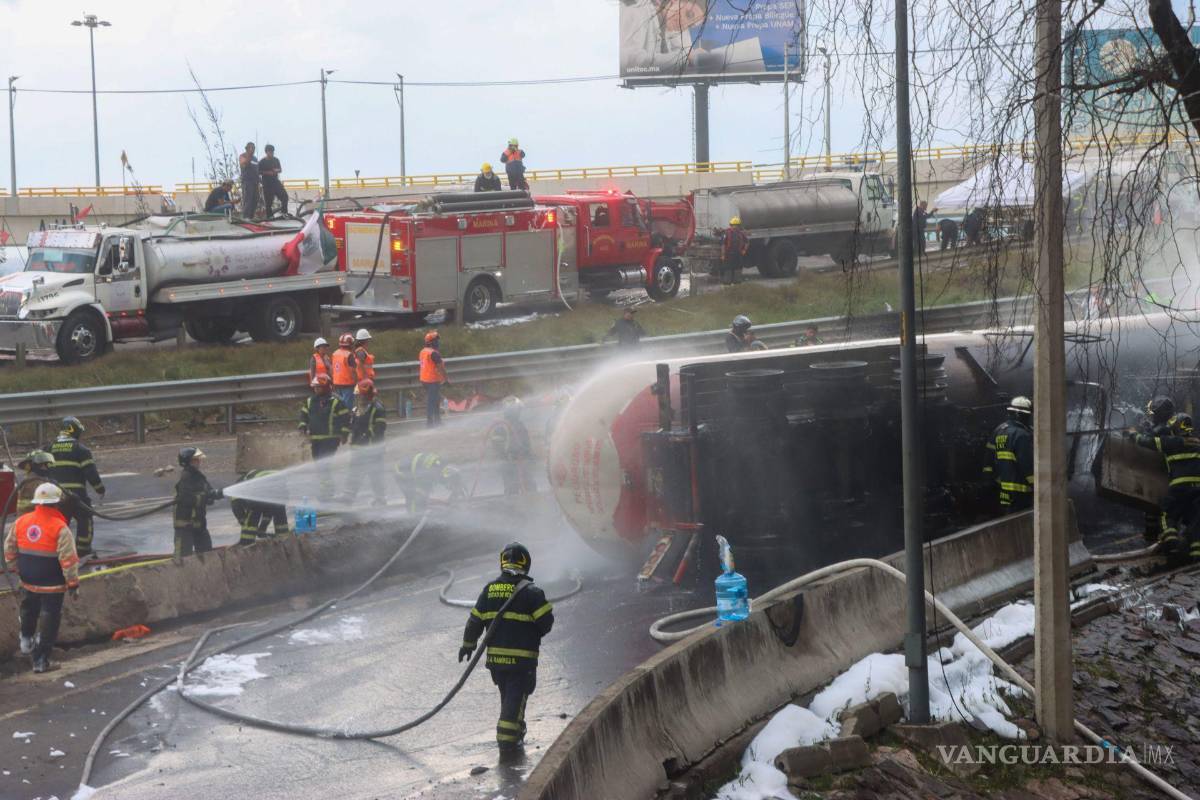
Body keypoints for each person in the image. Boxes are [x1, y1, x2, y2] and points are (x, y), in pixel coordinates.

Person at [459, 542, 554, 751]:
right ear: (526, 564)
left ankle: (514, 732)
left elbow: (474, 621)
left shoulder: (489, 590)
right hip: (522, 662)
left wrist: (468, 645)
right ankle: (508, 743)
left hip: (497, 662)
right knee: (515, 700)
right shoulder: (532, 593)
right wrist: (530, 632)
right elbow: (546, 623)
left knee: (509, 698)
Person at [3, 483, 80, 673]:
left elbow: (9, 548)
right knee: (50, 618)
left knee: (28, 610)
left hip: (28, 580)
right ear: (57, 503)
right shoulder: (60, 528)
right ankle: (40, 661)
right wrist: (73, 584)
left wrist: (15, 568)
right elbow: (68, 560)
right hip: (52, 584)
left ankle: (26, 643)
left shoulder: (21, 522)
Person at [1129, 412, 1200, 561]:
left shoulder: (1172, 442)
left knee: (1167, 515)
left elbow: (1147, 442)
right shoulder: (1198, 443)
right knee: (1196, 521)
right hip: (1198, 490)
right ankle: (1196, 558)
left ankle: (1171, 547)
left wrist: (1133, 434)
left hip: (1179, 489)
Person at [48, 417, 104, 558]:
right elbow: (90, 473)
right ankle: (83, 550)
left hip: (55, 496)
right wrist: (100, 489)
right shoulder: (81, 450)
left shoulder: (48, 448)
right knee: (85, 519)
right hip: (76, 496)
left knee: (57, 523)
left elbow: (40, 471)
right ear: (76, 431)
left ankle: (55, 551)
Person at [983, 396, 1034, 512]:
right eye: (1026, 416)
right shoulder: (1021, 435)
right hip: (1022, 492)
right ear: (1018, 415)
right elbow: (1026, 464)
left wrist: (989, 482)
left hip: (1003, 491)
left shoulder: (999, 430)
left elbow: (988, 460)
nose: (1028, 419)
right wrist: (1039, 485)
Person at [1136, 396, 1176, 543]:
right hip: (1161, 473)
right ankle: (1156, 537)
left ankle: (1166, 541)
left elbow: (1149, 442)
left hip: (1163, 474)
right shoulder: (1170, 428)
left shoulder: (1163, 429)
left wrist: (1138, 434)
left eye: (1154, 413)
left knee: (1162, 510)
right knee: (1155, 509)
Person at [173, 447, 221, 558]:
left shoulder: (199, 477)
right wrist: (206, 497)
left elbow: (207, 490)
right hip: (185, 525)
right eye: (196, 459)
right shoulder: (186, 478)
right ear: (188, 461)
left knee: (207, 554)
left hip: (199, 523)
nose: (199, 461)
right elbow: (186, 499)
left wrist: (214, 494)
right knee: (182, 558)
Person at [348, 379, 388, 504]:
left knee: (375, 475)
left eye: (360, 395)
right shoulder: (355, 409)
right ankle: (349, 498)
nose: (358, 398)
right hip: (357, 449)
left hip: (373, 450)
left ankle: (380, 499)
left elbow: (381, 426)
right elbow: (352, 426)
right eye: (357, 395)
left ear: (366, 395)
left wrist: (368, 434)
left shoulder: (378, 408)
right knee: (354, 474)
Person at [230, 469, 290, 546]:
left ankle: (247, 543)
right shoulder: (252, 476)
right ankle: (285, 542)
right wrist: (262, 528)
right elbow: (269, 509)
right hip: (280, 485)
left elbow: (238, 512)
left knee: (253, 515)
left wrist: (243, 522)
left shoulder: (235, 496)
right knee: (279, 511)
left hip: (260, 487)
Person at [490, 397, 536, 495]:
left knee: (530, 489)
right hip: (510, 465)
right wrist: (512, 453)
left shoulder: (519, 425)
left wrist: (530, 456)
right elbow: (498, 447)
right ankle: (513, 509)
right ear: (513, 411)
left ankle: (530, 507)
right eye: (519, 410)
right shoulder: (501, 427)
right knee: (512, 491)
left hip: (522, 463)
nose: (520, 412)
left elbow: (525, 443)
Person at [299, 374, 351, 463]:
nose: (316, 389)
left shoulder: (336, 401)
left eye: (319, 387)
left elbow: (345, 418)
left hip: (331, 439)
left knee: (324, 465)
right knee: (318, 463)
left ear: (326, 387)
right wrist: (302, 425)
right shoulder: (310, 401)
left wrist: (344, 434)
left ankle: (325, 477)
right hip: (315, 439)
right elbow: (303, 414)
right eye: (315, 387)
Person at [395, 452, 463, 513]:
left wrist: (455, 493)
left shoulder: (441, 465)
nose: (449, 487)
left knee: (422, 496)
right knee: (415, 496)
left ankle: (419, 512)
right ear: (445, 478)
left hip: (415, 469)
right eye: (449, 484)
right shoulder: (428, 476)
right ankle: (414, 518)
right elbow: (422, 494)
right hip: (402, 473)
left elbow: (457, 483)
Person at [419, 331, 449, 428]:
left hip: (424, 379)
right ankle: (430, 423)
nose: (438, 343)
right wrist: (446, 379)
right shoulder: (434, 353)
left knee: (435, 399)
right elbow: (441, 368)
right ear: (430, 342)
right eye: (436, 341)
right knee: (432, 401)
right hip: (432, 380)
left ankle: (437, 420)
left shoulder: (423, 351)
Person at [13, 450, 57, 515]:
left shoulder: (29, 479)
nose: (45, 468)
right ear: (33, 466)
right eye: (42, 465)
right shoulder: (35, 482)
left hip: (27, 518)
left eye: (46, 464)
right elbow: (57, 498)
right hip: (33, 519)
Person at [331, 333, 360, 408]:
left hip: (337, 384)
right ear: (350, 344)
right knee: (347, 407)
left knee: (339, 406)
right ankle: (347, 419)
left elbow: (332, 369)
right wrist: (357, 383)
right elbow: (353, 371)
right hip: (348, 384)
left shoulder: (335, 353)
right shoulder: (349, 355)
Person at [258, 144, 288, 216]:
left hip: (275, 182)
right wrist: (267, 172)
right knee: (268, 202)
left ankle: (284, 213)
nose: (271, 153)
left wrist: (276, 170)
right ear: (266, 152)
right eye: (269, 152)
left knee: (285, 197)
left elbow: (280, 169)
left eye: (272, 152)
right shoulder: (262, 161)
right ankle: (270, 216)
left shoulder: (276, 160)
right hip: (267, 183)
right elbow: (258, 172)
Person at [719, 217, 750, 285]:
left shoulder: (728, 233)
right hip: (735, 255)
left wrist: (723, 255)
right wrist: (744, 250)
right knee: (734, 271)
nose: (735, 227)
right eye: (735, 225)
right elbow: (747, 242)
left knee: (731, 271)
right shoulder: (740, 233)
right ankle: (733, 286)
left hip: (732, 255)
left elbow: (723, 245)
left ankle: (731, 286)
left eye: (735, 225)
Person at [239, 142, 260, 219]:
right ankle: (246, 217)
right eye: (251, 148)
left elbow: (257, 169)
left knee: (255, 199)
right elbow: (243, 163)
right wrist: (248, 156)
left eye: (254, 148)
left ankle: (251, 216)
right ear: (247, 148)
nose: (253, 150)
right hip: (247, 181)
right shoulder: (243, 156)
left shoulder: (255, 158)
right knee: (248, 199)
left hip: (255, 181)